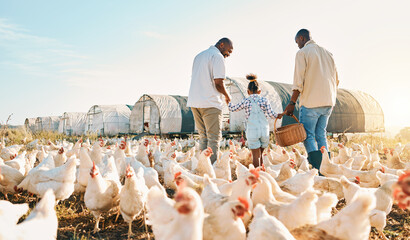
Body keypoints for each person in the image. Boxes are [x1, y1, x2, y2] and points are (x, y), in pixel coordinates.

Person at [284, 29, 339, 172]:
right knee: (321, 135)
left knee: (308, 135)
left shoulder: (303, 53)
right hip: (328, 102)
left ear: (302, 38)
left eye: (297, 42)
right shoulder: (328, 53)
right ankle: (327, 168)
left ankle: (317, 169)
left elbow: (298, 81)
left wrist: (291, 103)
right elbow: (336, 80)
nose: (298, 46)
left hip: (311, 103)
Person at [187, 38, 233, 163]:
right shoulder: (217, 56)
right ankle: (211, 169)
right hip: (210, 102)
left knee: (203, 137)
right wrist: (227, 95)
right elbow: (218, 83)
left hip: (195, 102)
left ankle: (202, 167)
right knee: (213, 138)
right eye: (229, 51)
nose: (228, 55)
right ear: (221, 45)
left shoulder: (199, 56)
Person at [228, 74, 284, 167]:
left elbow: (233, 109)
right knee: (261, 154)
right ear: (259, 91)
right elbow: (272, 114)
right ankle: (262, 173)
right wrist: (279, 115)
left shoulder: (246, 101)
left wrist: (228, 101)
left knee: (255, 156)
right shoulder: (264, 100)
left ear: (248, 91)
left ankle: (256, 175)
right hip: (263, 130)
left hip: (252, 131)